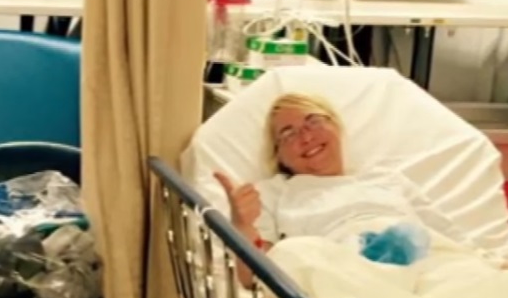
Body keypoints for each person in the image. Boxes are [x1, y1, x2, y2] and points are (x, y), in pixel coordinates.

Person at [214, 92, 501, 287]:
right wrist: (243, 226)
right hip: (343, 275)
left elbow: (448, 237)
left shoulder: (387, 179)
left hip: (426, 268)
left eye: (314, 121)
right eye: (288, 134)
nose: (306, 136)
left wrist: (490, 265)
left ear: (336, 128)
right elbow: (255, 276)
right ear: (279, 156)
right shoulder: (271, 193)